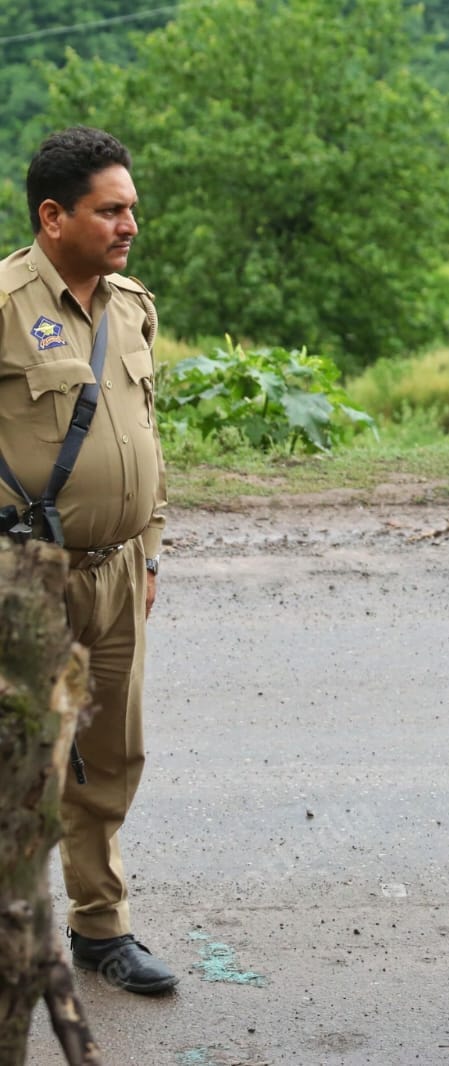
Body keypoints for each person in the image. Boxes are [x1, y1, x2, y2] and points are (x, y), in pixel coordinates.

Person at [0, 127, 174, 994]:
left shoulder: (132, 304)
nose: (129, 225)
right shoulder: (4, 304)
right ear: (53, 216)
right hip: (26, 577)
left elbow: (147, 435)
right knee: (23, 762)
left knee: (109, 756)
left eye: (131, 208)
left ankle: (100, 928)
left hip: (118, 570)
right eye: (111, 211)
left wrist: (150, 553)